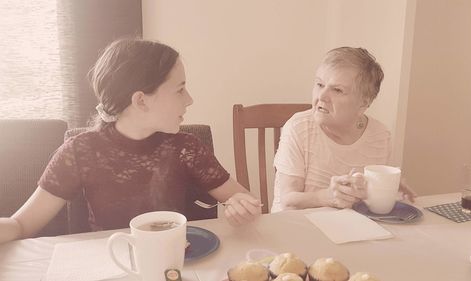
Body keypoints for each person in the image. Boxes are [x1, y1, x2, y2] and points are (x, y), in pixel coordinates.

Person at [0, 38, 261, 244]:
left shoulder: (186, 147)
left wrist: (242, 209)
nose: (189, 99)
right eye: (180, 90)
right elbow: (22, 225)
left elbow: (245, 201)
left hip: (174, 264)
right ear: (140, 100)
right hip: (110, 263)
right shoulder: (80, 151)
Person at [271, 47, 416, 212]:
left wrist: (389, 189)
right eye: (320, 84)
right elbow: (288, 200)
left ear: (364, 103)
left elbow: (370, 197)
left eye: (337, 90)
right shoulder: (298, 127)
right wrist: (326, 196)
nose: (322, 96)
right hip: (296, 229)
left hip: (350, 231)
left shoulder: (380, 136)